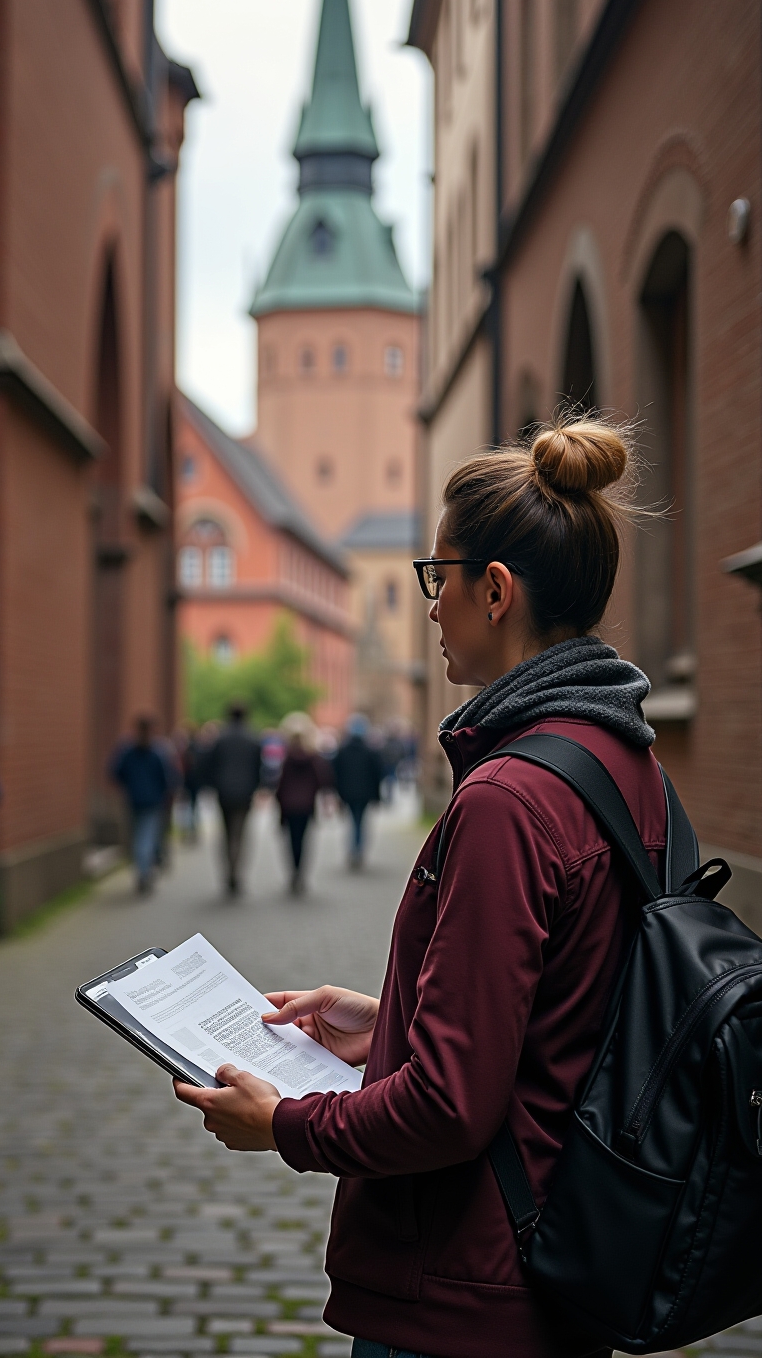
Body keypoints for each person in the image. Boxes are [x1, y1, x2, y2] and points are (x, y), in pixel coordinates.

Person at [174, 416, 665, 1358]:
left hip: (467, 1287)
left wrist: (285, 1124)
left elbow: (450, 1104)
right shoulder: (625, 760)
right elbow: (557, 1014)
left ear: (496, 591)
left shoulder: (509, 799)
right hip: (562, 1250)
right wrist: (386, 1019)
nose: (428, 608)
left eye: (438, 579)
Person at [202, 701, 263, 896]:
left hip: (224, 793)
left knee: (227, 835)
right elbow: (259, 769)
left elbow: (209, 765)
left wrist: (212, 785)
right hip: (245, 794)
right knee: (240, 833)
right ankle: (236, 871)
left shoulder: (221, 739)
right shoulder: (253, 739)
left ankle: (229, 870)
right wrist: (258, 788)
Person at [110, 714, 172, 894]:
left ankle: (142, 869)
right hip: (152, 800)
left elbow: (116, 772)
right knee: (146, 836)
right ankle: (144, 871)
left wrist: (128, 786)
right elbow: (166, 777)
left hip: (134, 799)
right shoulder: (158, 750)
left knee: (138, 835)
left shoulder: (127, 750)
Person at [274, 715, 333, 895]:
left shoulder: (287, 760)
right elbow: (322, 780)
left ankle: (294, 872)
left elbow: (280, 785)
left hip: (290, 806)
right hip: (306, 806)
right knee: (304, 841)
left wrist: (278, 802)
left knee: (291, 841)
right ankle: (301, 873)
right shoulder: (313, 759)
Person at [332, 715, 383, 868]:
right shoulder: (371, 752)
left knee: (353, 821)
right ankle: (358, 850)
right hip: (365, 794)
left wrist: (338, 794)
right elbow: (377, 775)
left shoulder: (342, 751)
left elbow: (336, 774)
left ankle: (354, 850)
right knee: (360, 822)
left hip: (347, 794)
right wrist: (377, 796)